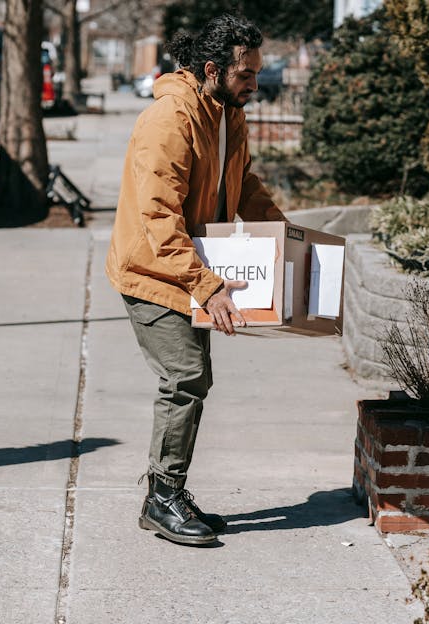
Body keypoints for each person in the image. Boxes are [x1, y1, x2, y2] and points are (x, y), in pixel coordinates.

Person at [105, 14, 286, 546]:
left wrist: (285, 237)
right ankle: (162, 499)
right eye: (245, 74)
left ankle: (169, 492)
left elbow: (243, 182)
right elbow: (158, 218)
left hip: (190, 265)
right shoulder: (170, 120)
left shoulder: (228, 112)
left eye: (257, 71)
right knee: (185, 378)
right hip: (151, 269)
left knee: (194, 378)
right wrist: (204, 285)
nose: (255, 83)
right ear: (212, 69)